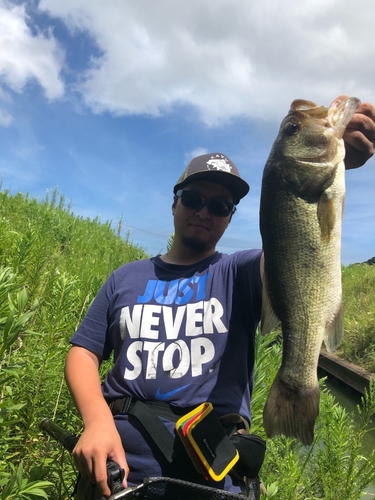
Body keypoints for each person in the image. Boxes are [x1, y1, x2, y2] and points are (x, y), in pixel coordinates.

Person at [65, 97, 375, 500]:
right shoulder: (126, 276)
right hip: (116, 476)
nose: (204, 212)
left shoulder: (241, 272)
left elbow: (294, 251)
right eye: (194, 199)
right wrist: (96, 421)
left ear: (230, 217)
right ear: (175, 202)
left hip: (211, 481)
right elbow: (84, 352)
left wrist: (334, 163)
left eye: (220, 205)